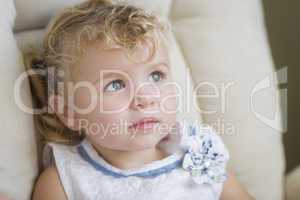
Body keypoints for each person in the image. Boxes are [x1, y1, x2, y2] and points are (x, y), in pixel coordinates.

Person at [24, 0, 255, 199]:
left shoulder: (198, 151)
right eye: (115, 84)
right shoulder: (65, 179)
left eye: (156, 76)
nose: (145, 98)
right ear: (69, 113)